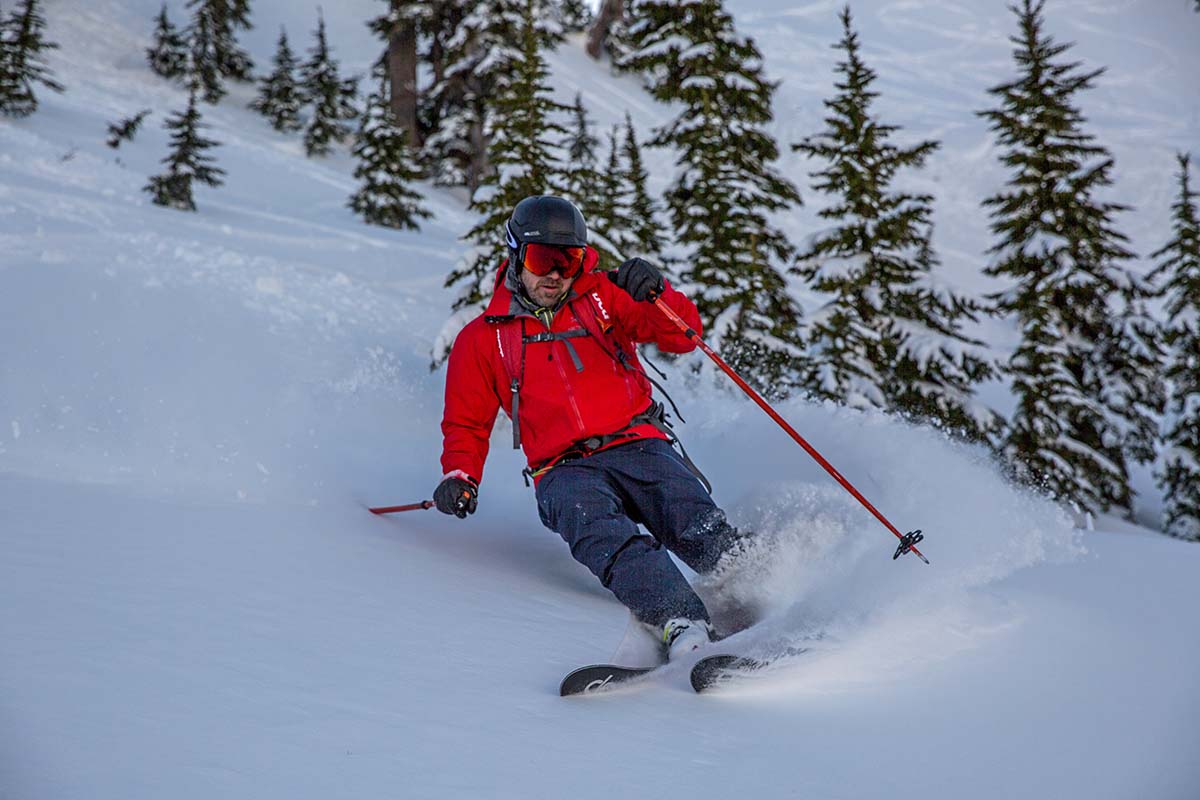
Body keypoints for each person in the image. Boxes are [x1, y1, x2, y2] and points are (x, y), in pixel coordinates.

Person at [434, 195, 745, 660]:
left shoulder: (603, 297)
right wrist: (460, 476)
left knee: (688, 516)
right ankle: (682, 621)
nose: (556, 273)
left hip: (636, 441)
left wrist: (657, 294)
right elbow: (466, 423)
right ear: (516, 254)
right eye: (543, 259)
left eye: (570, 259)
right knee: (602, 531)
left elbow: (683, 336)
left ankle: (761, 589)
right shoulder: (483, 339)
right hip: (562, 469)